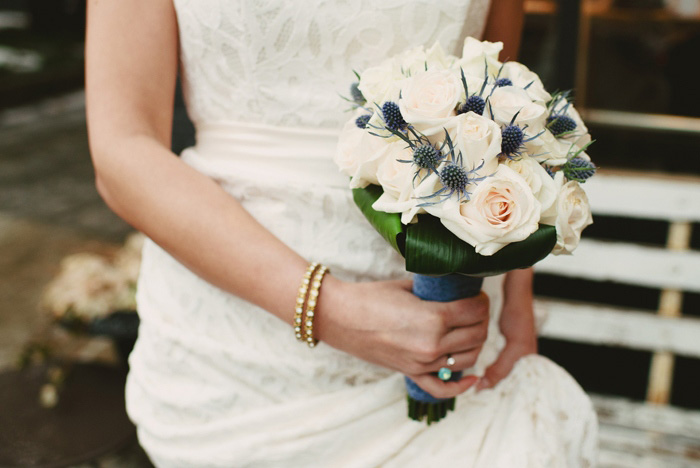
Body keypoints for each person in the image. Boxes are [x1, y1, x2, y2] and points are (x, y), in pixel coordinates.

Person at [85, 0, 598, 466]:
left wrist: (517, 295)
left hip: (444, 326)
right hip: (237, 352)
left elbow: (493, 103)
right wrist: (329, 309)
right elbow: (121, 148)